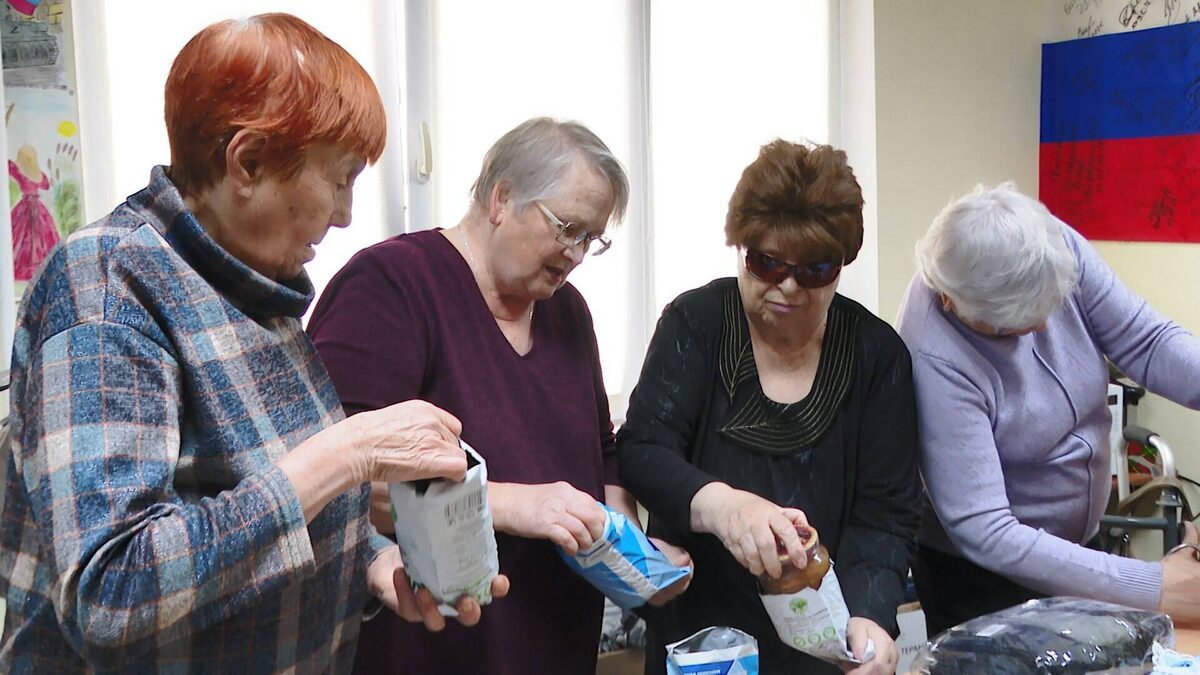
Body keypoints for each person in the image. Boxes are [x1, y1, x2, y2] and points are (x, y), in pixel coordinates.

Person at [0, 14, 506, 674]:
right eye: (341, 177)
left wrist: (375, 565)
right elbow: (112, 593)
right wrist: (348, 451)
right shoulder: (106, 290)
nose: (348, 213)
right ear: (248, 161)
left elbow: (260, 519)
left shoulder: (255, 284)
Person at [308, 117, 691, 674]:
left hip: (553, 641)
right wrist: (515, 505)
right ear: (501, 199)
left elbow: (601, 453)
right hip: (431, 644)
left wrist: (634, 558)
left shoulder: (569, 312)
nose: (578, 253)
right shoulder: (391, 285)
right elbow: (341, 480)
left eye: (593, 238)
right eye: (567, 229)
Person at [617, 140, 920, 675]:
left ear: (842, 264)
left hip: (823, 638)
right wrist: (726, 507)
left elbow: (887, 513)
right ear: (741, 246)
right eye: (765, 262)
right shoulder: (697, 324)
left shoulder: (877, 356)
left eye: (813, 271)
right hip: (703, 639)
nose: (785, 286)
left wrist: (872, 614)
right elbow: (642, 450)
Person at [896, 183, 1200, 636]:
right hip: (983, 580)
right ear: (952, 303)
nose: (1042, 326)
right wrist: (1153, 585)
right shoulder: (933, 354)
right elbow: (988, 531)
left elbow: (1146, 341)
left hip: (1078, 546)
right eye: (1016, 324)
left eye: (1049, 308)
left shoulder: (1047, 245)